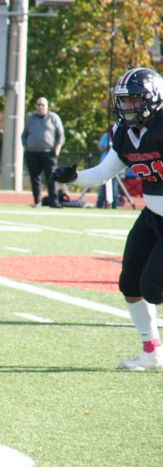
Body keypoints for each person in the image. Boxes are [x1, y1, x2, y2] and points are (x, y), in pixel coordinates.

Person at [54, 67, 163, 371]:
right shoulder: (124, 132)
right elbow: (103, 174)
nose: (128, 107)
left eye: (134, 101)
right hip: (153, 214)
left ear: (153, 99)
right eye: (124, 101)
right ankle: (152, 351)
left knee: (154, 287)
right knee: (130, 282)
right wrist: (73, 177)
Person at [22, 96, 64, 207]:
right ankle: (37, 201)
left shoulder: (53, 118)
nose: (40, 107)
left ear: (47, 106)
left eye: (43, 105)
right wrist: (26, 147)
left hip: (49, 152)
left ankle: (54, 201)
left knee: (51, 177)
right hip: (32, 153)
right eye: (38, 104)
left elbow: (60, 135)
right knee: (35, 178)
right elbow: (24, 135)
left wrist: (57, 149)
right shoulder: (30, 119)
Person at [95, 125, 115, 209]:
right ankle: (100, 203)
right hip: (105, 162)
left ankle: (113, 204)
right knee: (102, 184)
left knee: (114, 186)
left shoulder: (119, 135)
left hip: (115, 164)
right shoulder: (106, 136)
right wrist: (107, 146)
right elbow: (100, 149)